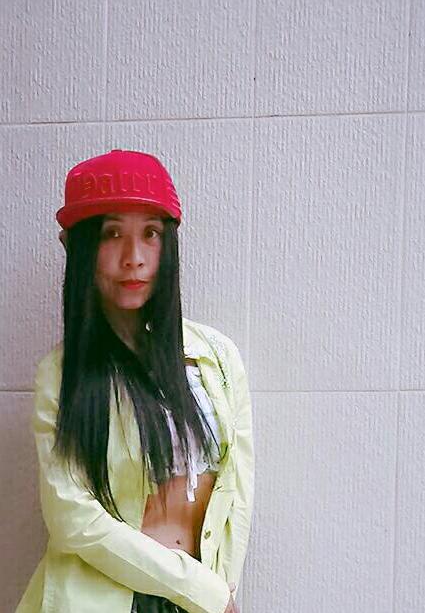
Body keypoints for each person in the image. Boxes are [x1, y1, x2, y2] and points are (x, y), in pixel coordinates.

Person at [15, 150, 255, 613]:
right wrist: (199, 589)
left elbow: (238, 490)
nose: (134, 259)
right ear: (79, 247)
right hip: (98, 598)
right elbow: (72, 517)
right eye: (112, 234)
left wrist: (220, 590)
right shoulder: (61, 375)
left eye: (150, 233)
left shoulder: (217, 357)